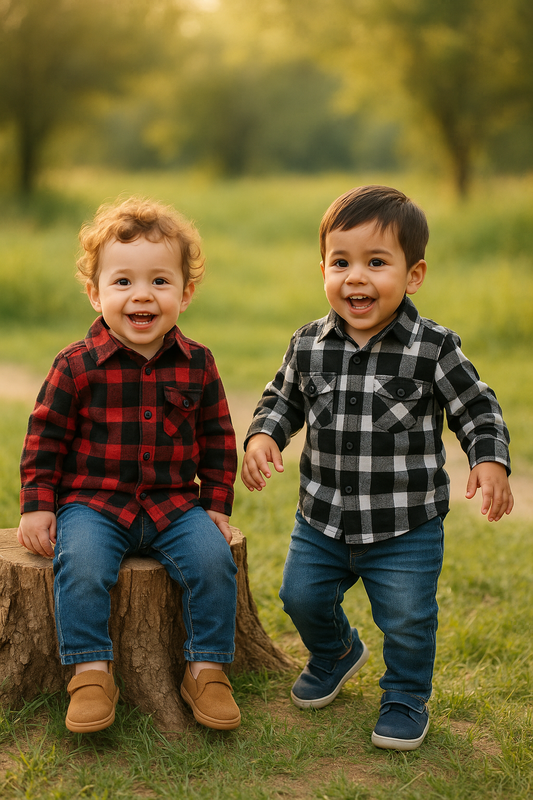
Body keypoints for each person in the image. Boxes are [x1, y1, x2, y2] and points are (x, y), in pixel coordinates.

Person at [241, 185, 513, 751]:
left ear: (413, 275)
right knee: (300, 597)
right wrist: (266, 433)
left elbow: (476, 406)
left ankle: (406, 696)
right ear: (322, 269)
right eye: (340, 263)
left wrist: (488, 458)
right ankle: (335, 651)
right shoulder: (309, 344)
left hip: (406, 524)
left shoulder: (432, 347)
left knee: (408, 618)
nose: (355, 278)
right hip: (322, 518)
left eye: (376, 263)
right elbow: (283, 399)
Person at [18, 197, 241, 733]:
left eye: (160, 282)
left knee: (214, 564)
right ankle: (91, 672)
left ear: (184, 294)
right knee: (83, 567)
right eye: (123, 282)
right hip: (94, 505)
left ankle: (207, 668)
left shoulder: (198, 363)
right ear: (96, 293)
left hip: (173, 504)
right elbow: (45, 439)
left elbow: (217, 438)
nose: (141, 295)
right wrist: (37, 507)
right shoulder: (76, 365)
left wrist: (214, 505)